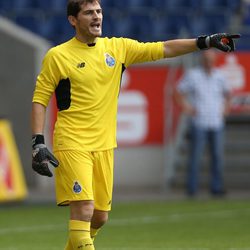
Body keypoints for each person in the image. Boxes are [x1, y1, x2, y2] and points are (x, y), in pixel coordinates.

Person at [31, 0, 240, 249]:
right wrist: (38, 143)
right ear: (73, 20)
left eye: (98, 11)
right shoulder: (58, 56)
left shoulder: (117, 48)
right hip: (73, 143)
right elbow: (40, 99)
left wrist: (203, 42)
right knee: (84, 210)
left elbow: (163, 48)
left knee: (99, 216)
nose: (96, 16)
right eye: (88, 13)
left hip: (104, 144)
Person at [174, 50, 232, 197]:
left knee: (217, 157)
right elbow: (177, 92)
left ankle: (216, 187)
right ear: (201, 60)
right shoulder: (193, 75)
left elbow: (228, 95)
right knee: (195, 157)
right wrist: (186, 107)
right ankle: (192, 188)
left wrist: (226, 109)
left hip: (216, 121)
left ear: (215, 60)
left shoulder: (220, 76)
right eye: (206, 59)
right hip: (199, 122)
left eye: (211, 59)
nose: (208, 62)